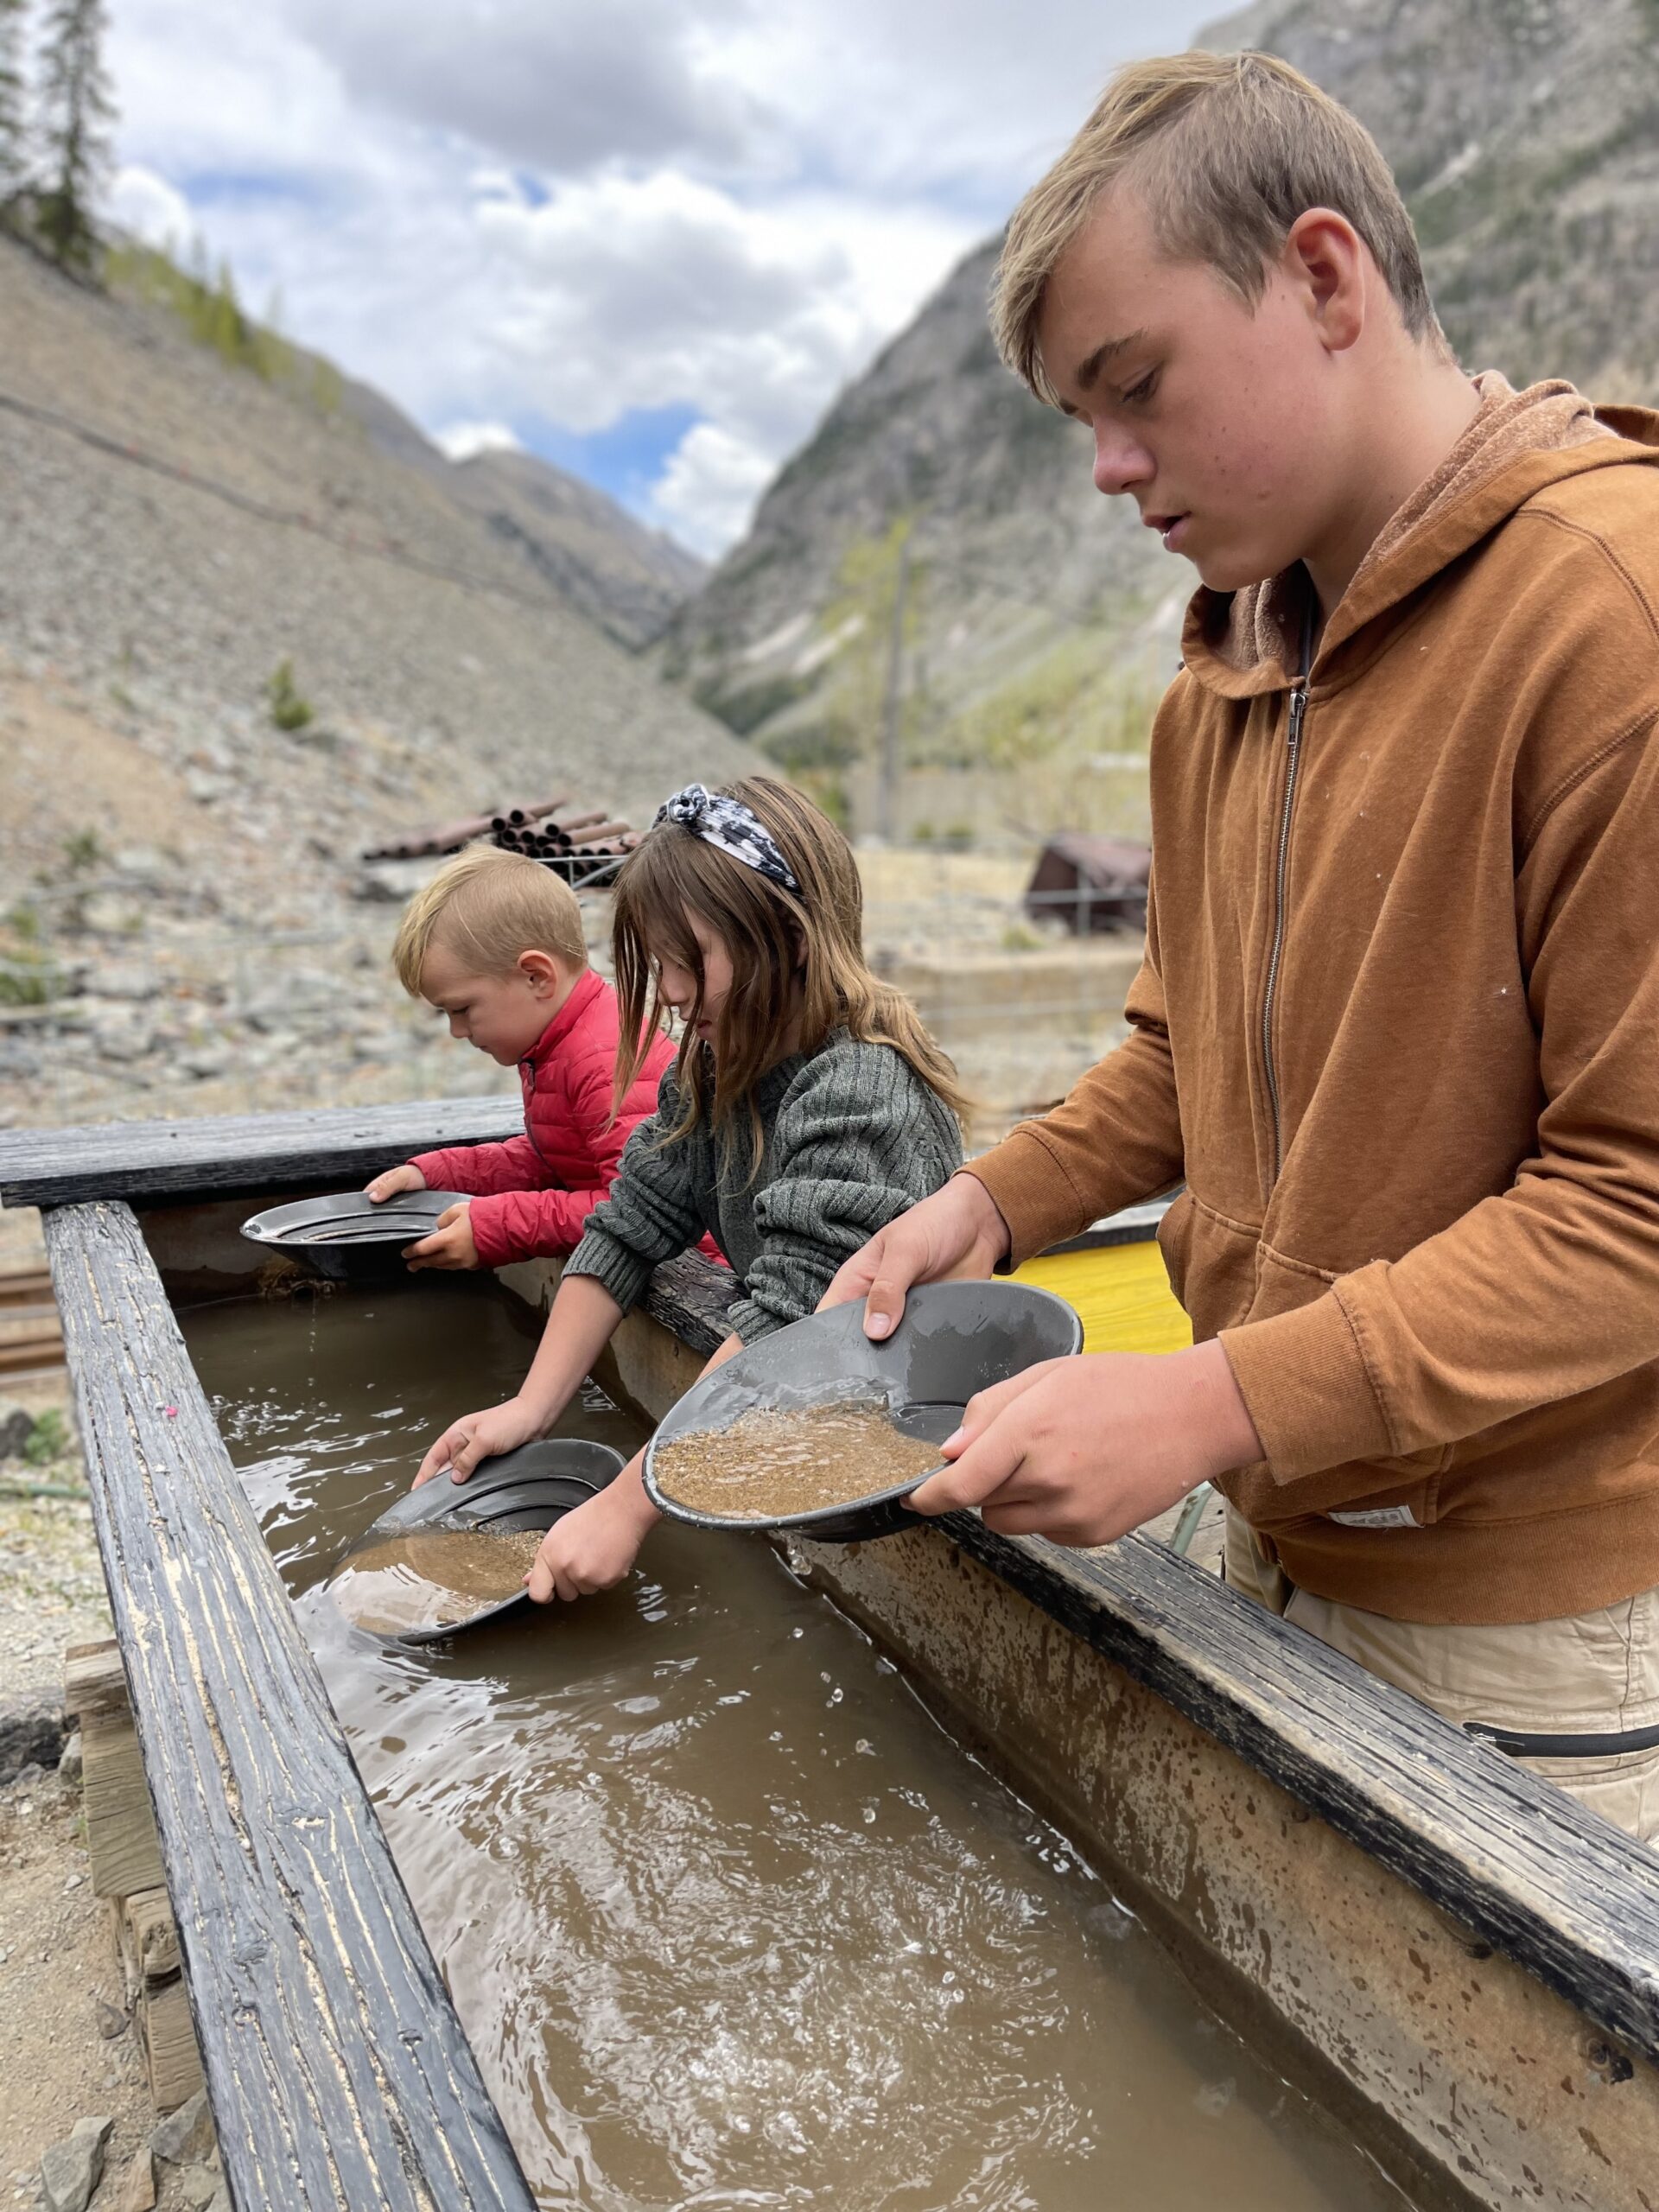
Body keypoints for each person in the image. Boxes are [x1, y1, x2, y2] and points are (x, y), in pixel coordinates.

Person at [823, 52, 1659, 1839]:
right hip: (1275, 1509)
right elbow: (1185, 1049)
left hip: (1533, 1619)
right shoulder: (1220, 680)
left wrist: (1208, 1400)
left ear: (1328, 278)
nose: (1113, 470)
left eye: (1137, 388)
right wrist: (1002, 1198)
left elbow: (1638, 1203)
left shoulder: (1613, 616)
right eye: (1080, 422)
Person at [414, 775, 967, 1601]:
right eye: (658, 964)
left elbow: (793, 1325)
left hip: (907, 1447)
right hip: (794, 1417)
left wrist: (627, 1507)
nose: (668, 993)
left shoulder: (860, 1089)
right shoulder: (715, 1068)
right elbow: (625, 1226)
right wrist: (529, 1408)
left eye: (689, 962)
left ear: (791, 936)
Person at [365, 844, 680, 1271]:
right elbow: (549, 1161)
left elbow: (633, 1208)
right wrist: (437, 1174)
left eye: (461, 1009)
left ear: (536, 976)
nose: (457, 1031)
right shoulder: (555, 1046)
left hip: (698, 1275)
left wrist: (496, 1226)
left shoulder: (603, 1059)